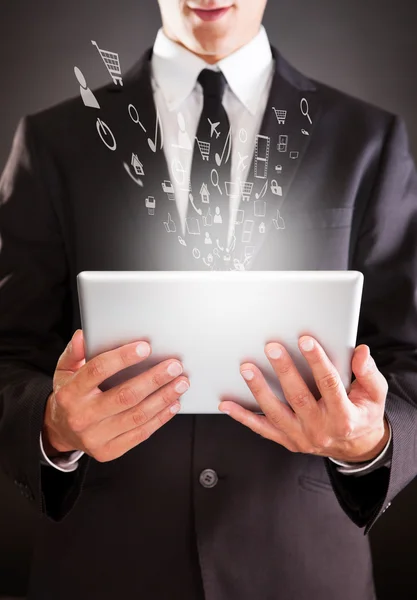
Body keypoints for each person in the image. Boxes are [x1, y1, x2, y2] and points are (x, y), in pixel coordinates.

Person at [0, 1, 417, 598]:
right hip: (103, 569)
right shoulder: (53, 140)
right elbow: (7, 351)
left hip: (300, 569)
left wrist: (369, 442)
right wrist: (52, 425)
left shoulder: (370, 140)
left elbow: (409, 356)